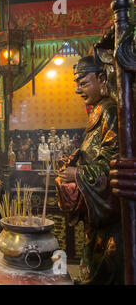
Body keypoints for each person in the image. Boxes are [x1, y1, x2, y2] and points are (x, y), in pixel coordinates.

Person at [55, 55, 124, 285]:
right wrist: (75, 161)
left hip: (112, 225)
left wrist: (77, 174)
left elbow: (112, 166)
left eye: (83, 83)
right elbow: (94, 154)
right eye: (77, 84)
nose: (77, 90)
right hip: (96, 226)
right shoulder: (98, 112)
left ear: (102, 78)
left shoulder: (111, 112)